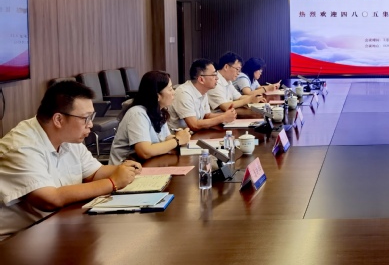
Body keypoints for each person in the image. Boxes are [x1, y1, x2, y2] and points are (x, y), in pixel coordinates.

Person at [0, 81, 140, 241]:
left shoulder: (69, 137)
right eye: (86, 118)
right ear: (58, 119)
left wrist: (125, 170)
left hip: (56, 227)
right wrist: (113, 182)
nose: (90, 124)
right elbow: (50, 199)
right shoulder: (21, 147)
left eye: (92, 117)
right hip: (15, 241)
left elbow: (94, 173)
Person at [109, 71, 192, 164]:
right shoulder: (137, 114)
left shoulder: (159, 110)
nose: (174, 92)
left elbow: (165, 138)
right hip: (126, 168)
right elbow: (144, 152)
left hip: (148, 163)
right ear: (157, 96)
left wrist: (181, 136)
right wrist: (177, 140)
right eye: (170, 89)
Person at [167, 58, 237, 131]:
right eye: (213, 75)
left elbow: (206, 116)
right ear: (201, 79)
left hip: (195, 134)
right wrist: (223, 118)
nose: (217, 78)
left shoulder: (203, 90)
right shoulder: (184, 93)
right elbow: (194, 125)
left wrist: (227, 114)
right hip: (178, 136)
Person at [207, 52, 264, 118]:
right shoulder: (215, 81)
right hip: (218, 119)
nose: (238, 73)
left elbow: (239, 97)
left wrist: (256, 98)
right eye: (237, 69)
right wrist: (249, 100)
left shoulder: (228, 81)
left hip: (228, 117)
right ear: (226, 67)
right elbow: (224, 106)